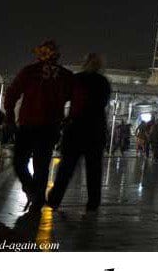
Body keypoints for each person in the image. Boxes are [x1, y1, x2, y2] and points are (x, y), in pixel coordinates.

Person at [4, 39, 73, 212]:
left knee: (19, 161)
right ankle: (38, 198)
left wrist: (10, 117)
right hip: (50, 126)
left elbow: (12, 94)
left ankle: (31, 190)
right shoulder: (65, 75)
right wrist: (66, 117)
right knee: (41, 164)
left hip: (28, 124)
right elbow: (75, 98)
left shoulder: (30, 71)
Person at [47, 53, 111, 212]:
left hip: (76, 128)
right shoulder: (103, 82)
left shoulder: (77, 79)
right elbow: (102, 104)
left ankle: (55, 199)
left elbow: (65, 97)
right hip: (95, 130)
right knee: (94, 170)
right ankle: (93, 203)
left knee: (66, 168)